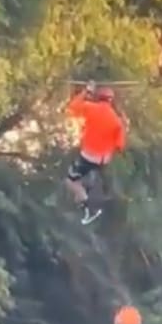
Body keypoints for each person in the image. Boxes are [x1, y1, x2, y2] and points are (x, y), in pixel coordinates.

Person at [65, 81, 126, 225]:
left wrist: (86, 91)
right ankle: (86, 194)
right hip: (104, 160)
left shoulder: (90, 108)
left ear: (97, 98)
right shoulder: (117, 121)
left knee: (70, 181)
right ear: (111, 101)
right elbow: (120, 145)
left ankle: (88, 207)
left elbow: (72, 108)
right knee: (81, 178)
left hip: (88, 156)